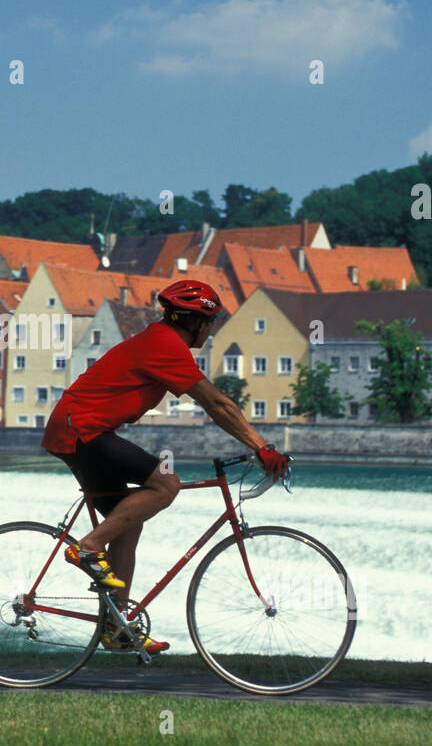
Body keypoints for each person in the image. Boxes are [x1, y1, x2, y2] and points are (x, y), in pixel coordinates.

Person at [41, 279, 289, 653]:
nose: (212, 329)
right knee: (166, 483)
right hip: (82, 430)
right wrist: (262, 448)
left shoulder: (161, 342)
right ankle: (88, 547)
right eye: (211, 321)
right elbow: (217, 404)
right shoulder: (164, 345)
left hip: (82, 428)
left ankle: (116, 627)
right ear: (195, 321)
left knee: (127, 524)